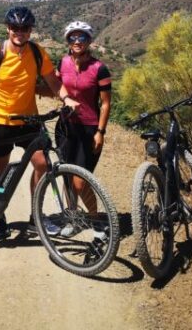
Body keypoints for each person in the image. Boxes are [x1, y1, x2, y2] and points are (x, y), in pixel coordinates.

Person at [0, 6, 78, 239]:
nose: (20, 32)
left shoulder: (37, 53)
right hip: (0, 122)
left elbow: (53, 82)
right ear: (8, 29)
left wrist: (66, 98)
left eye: (25, 28)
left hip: (29, 121)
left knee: (42, 165)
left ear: (30, 30)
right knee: (1, 172)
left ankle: (35, 216)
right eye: (15, 28)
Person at [55, 20, 112, 236]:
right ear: (68, 40)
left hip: (89, 129)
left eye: (82, 37)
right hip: (66, 127)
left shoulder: (99, 69)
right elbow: (56, 87)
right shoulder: (63, 63)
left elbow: (106, 103)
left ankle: (95, 219)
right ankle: (73, 218)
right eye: (73, 37)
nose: (77, 41)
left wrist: (101, 131)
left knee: (81, 180)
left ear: (89, 40)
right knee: (67, 177)